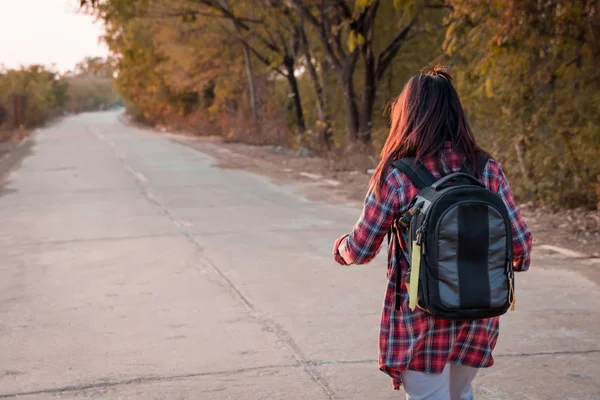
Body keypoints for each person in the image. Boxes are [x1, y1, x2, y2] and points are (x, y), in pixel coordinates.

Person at [332, 65, 533, 400]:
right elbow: (521, 249)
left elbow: (362, 248)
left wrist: (341, 249)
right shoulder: (487, 169)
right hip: (478, 315)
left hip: (421, 320)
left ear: (407, 117)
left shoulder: (396, 177)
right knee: (460, 394)